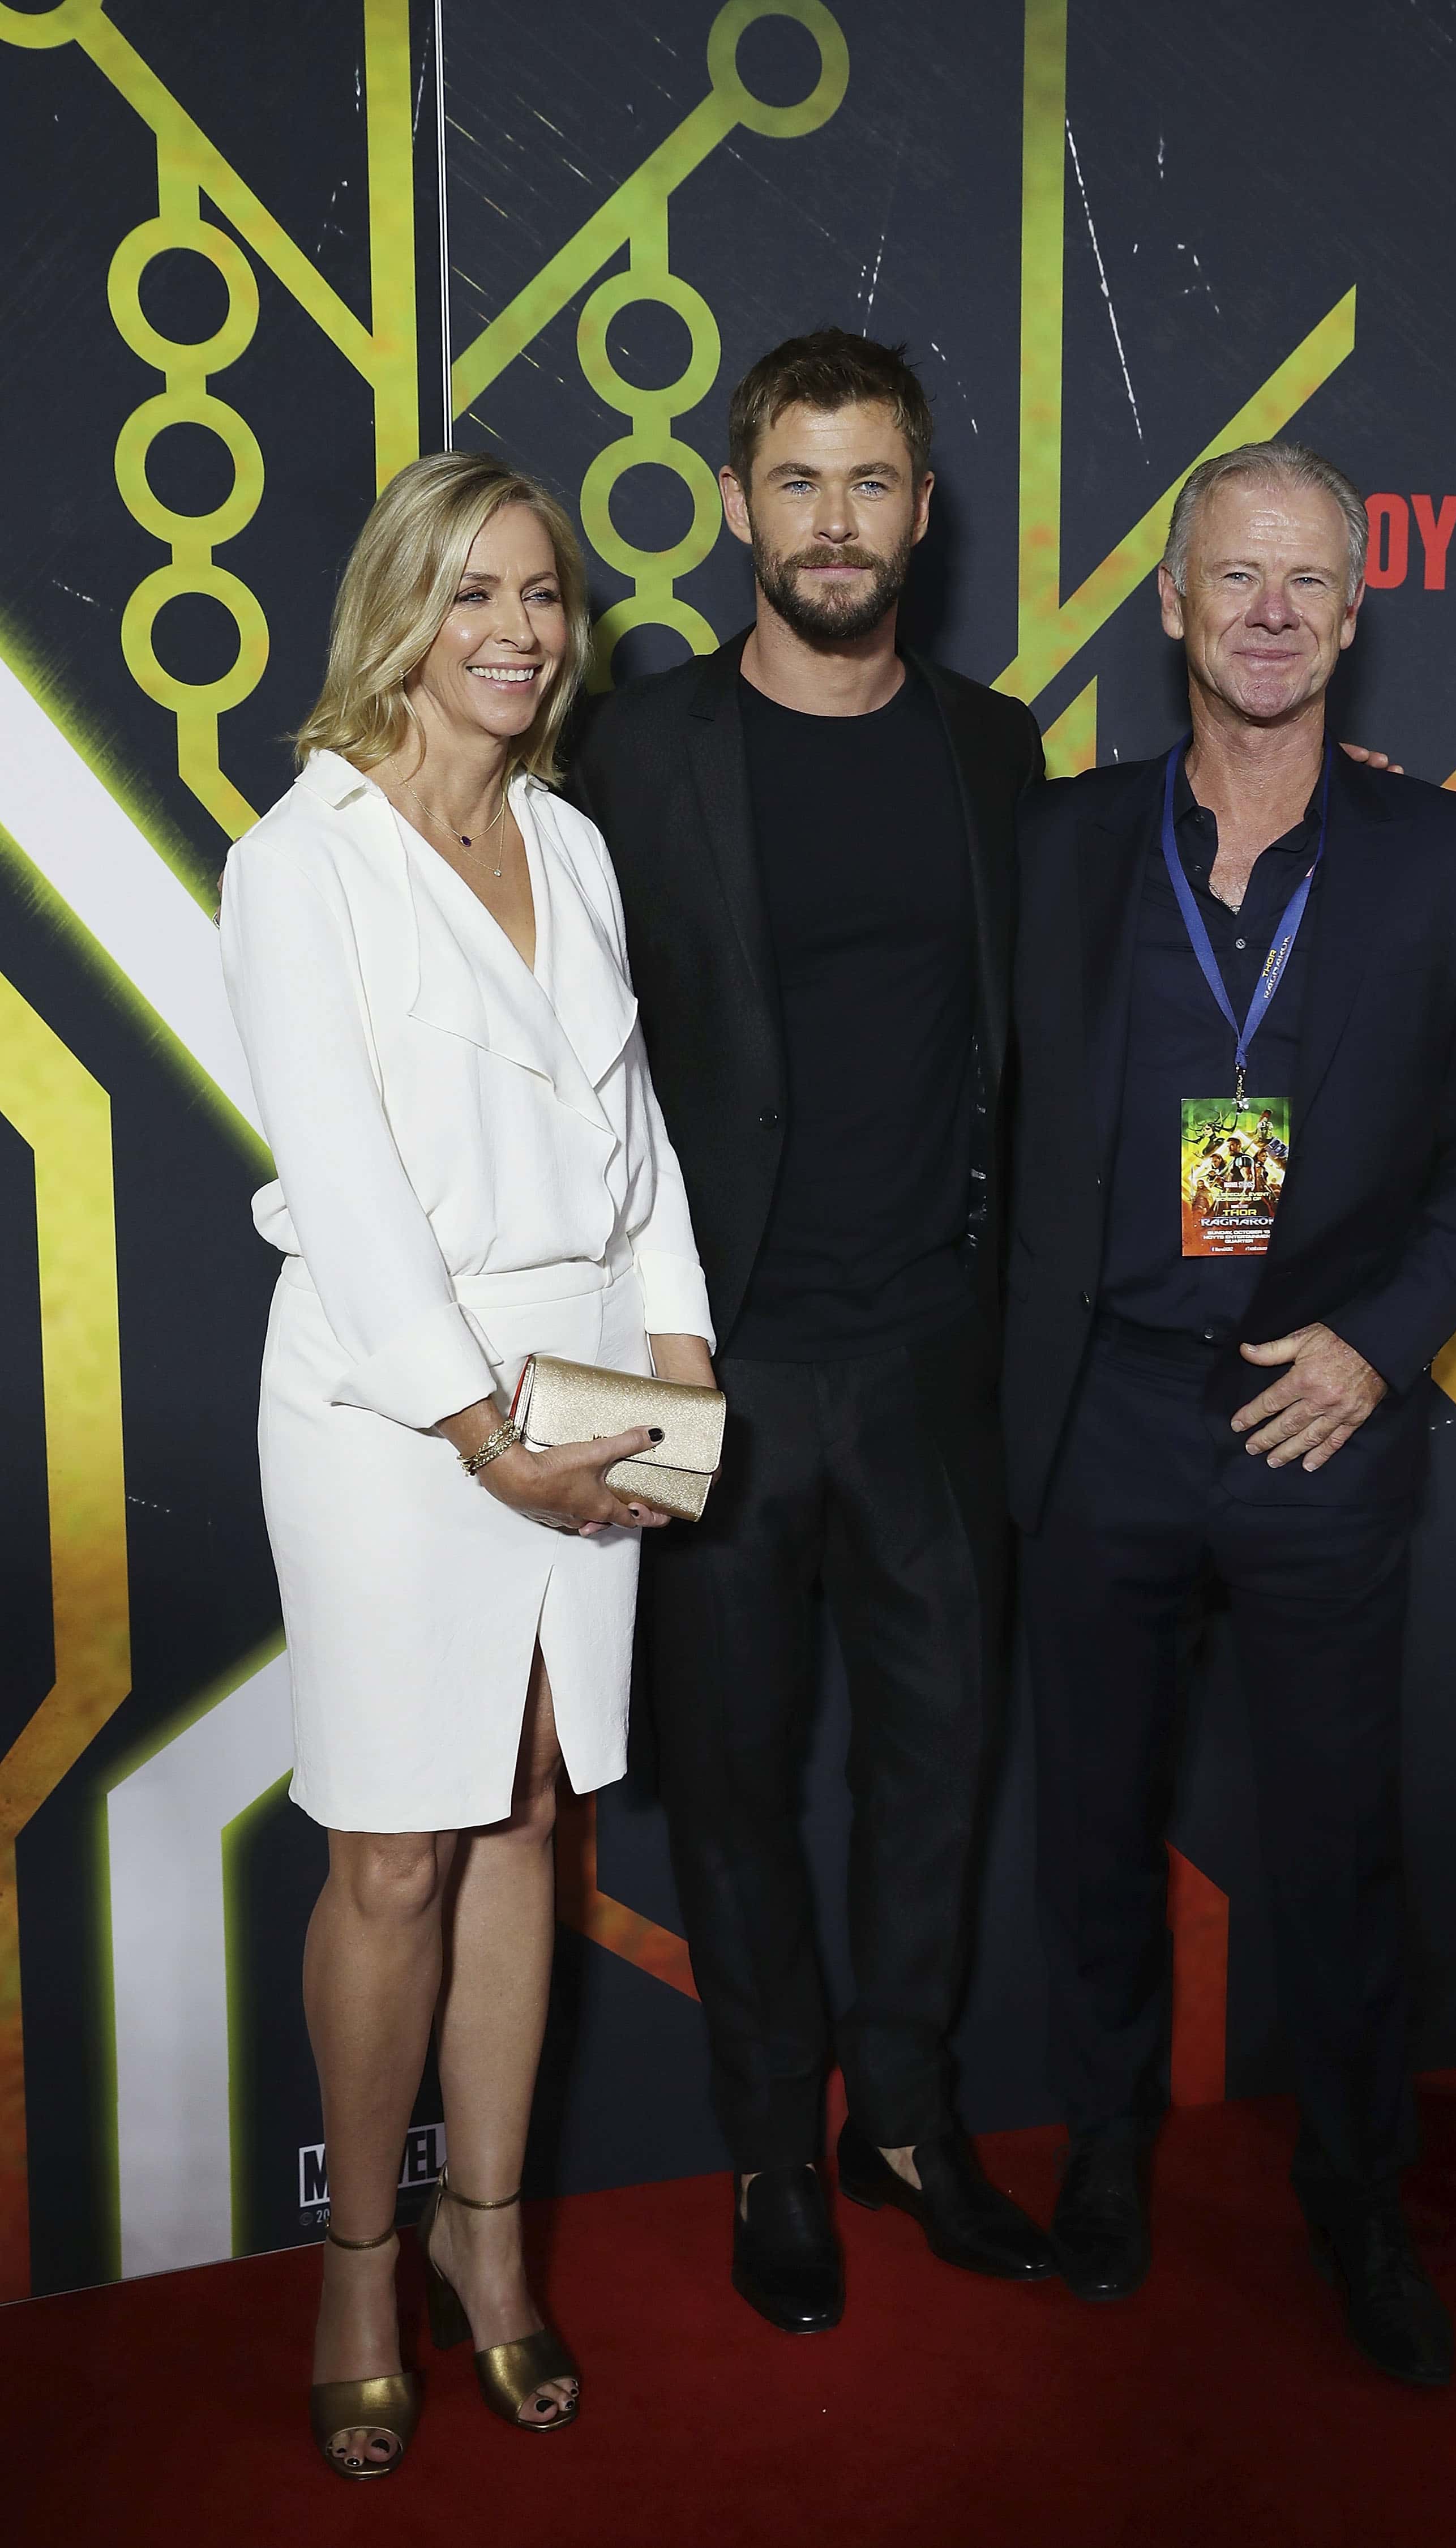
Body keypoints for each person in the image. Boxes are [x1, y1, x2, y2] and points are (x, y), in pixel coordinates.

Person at [1004, 440, 1456, 2385]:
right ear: (1170, 604)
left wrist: (1381, 1344)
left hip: (1322, 1418)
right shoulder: (1064, 843)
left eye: (1304, 582)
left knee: (1336, 1847)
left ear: (1351, 614)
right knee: (1094, 1833)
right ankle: (1107, 2154)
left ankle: (1358, 2187)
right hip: (1107, 1419)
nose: (1267, 612)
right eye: (1232, 576)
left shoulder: (1442, 852)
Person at [221, 451, 714, 2477]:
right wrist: (479, 1430)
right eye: (475, 593)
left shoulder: (574, 844)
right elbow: (338, 1183)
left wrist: (677, 1344)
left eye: (542, 596)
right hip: (386, 1403)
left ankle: (488, 2247)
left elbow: (637, 1124)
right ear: (400, 614)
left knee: (528, 1819)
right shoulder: (302, 859)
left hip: (589, 1370)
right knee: (394, 1845)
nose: (517, 630)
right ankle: (356, 2265)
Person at [569, 331, 1057, 2331]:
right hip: (711, 1366)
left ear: (921, 514)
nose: (835, 521)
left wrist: (1322, 805)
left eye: (872, 484)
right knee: (740, 1777)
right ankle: (778, 2139)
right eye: (799, 481)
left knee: (937, 1770)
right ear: (739, 502)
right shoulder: (632, 753)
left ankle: (911, 2121)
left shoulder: (998, 749)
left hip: (937, 1355)